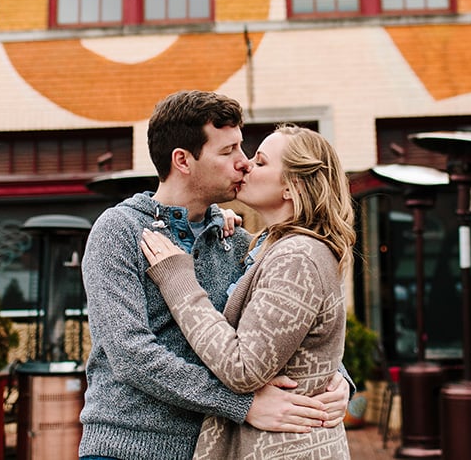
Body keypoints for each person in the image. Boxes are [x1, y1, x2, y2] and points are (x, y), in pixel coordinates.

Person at [79, 91, 350, 460]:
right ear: (183, 160)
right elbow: (130, 355)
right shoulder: (120, 231)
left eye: (244, 149)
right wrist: (242, 404)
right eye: (228, 152)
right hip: (130, 447)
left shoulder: (236, 241)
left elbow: (281, 326)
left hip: (214, 447)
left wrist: (337, 379)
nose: (243, 163)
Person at [141, 123, 356, 459]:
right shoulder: (270, 247)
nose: (245, 165)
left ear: (291, 186)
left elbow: (244, 368)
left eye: (260, 161)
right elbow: (291, 341)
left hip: (287, 448)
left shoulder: (298, 256)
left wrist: (176, 280)